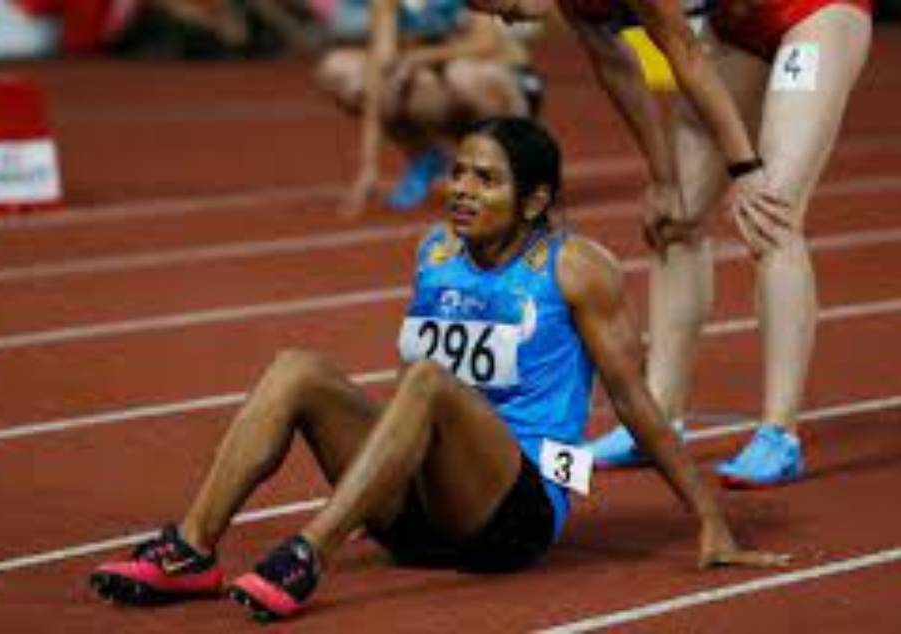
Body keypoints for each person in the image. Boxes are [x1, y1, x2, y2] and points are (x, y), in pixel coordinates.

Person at [89, 117, 784, 622]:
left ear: (535, 201)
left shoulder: (576, 269)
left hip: (512, 516)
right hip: (420, 511)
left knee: (429, 382)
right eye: (458, 173)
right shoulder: (436, 252)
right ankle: (191, 550)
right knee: (296, 368)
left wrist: (709, 519)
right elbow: (415, 384)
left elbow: (633, 400)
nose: (462, 190)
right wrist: (380, 471)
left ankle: (309, 553)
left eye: (487, 179)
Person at [470, 0, 870, 487]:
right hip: (736, 27)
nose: (503, 20)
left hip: (812, 11)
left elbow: (685, 53)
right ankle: (656, 420)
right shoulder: (573, 5)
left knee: (772, 214)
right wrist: (663, 178)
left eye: (497, 4)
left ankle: (779, 435)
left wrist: (745, 169)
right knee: (674, 218)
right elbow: (617, 70)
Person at [316, 0, 544, 214]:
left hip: (505, 81)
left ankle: (524, 156)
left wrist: (419, 57)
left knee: (463, 75)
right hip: (442, 86)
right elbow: (380, 71)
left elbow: (484, 44)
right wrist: (368, 165)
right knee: (338, 69)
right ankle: (425, 154)